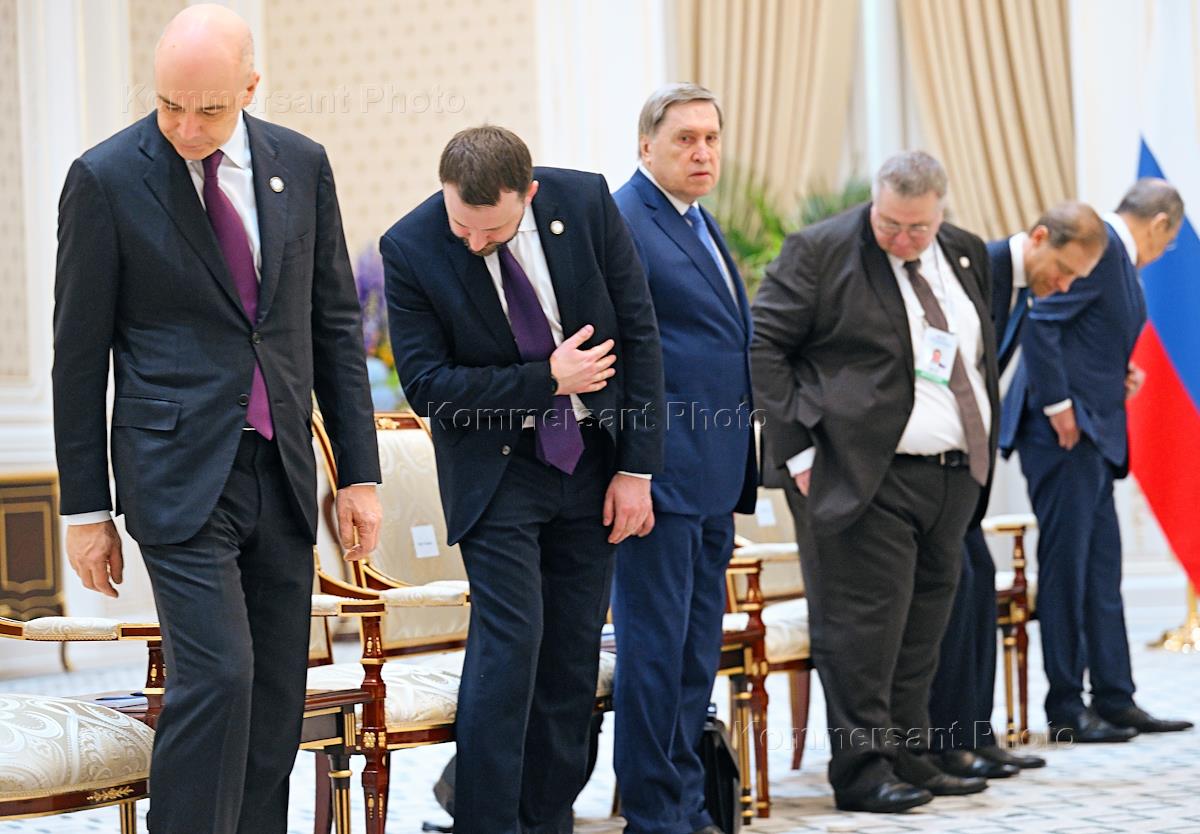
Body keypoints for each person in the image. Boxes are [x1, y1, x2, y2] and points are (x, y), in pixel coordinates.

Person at [52, 6, 382, 832]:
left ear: (250, 87)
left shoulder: (301, 164)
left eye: (208, 109)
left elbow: (334, 326)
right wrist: (87, 510)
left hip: (281, 469)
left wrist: (360, 475)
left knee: (274, 694)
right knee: (221, 677)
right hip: (176, 475)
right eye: (169, 105)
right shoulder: (105, 178)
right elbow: (78, 356)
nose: (186, 128)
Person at [381, 125, 664, 834]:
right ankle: (486, 822)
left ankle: (546, 819)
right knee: (510, 649)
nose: (475, 242)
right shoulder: (411, 246)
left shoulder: (585, 202)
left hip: (590, 460)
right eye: (462, 226)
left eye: (494, 229)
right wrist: (546, 379)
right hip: (497, 472)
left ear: (529, 194)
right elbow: (429, 388)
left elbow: (638, 333)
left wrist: (636, 467)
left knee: (570, 656)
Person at [751, 151, 1000, 813]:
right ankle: (863, 773)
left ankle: (912, 756)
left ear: (941, 211)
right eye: (889, 223)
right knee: (863, 632)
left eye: (918, 228)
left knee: (922, 629)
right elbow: (763, 346)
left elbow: (978, 351)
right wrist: (798, 453)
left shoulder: (964, 251)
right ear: (876, 201)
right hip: (862, 474)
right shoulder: (821, 251)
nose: (902, 239)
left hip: (952, 476)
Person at [610, 84, 756, 834]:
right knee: (655, 652)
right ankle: (654, 811)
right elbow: (621, 359)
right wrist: (632, 469)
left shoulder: (698, 220)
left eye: (711, 138)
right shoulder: (626, 221)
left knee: (695, 653)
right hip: (659, 477)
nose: (703, 153)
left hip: (713, 475)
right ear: (646, 146)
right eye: (685, 139)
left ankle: (687, 804)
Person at [1002, 178, 1195, 742]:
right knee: (1068, 570)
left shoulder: (1111, 256)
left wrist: (1115, 374)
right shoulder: (1102, 248)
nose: (1161, 252)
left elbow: (1080, 334)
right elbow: (1042, 321)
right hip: (1062, 435)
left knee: (1101, 568)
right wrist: (1060, 405)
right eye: (1168, 241)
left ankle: (1114, 696)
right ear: (1160, 224)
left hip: (1093, 434)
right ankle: (1066, 706)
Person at [928, 202, 1107, 778]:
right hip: (933, 463)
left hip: (966, 466)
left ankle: (977, 735)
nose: (1066, 284)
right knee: (963, 588)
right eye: (1065, 269)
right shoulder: (978, 267)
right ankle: (949, 740)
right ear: (1038, 237)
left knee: (979, 585)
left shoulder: (1026, 288)